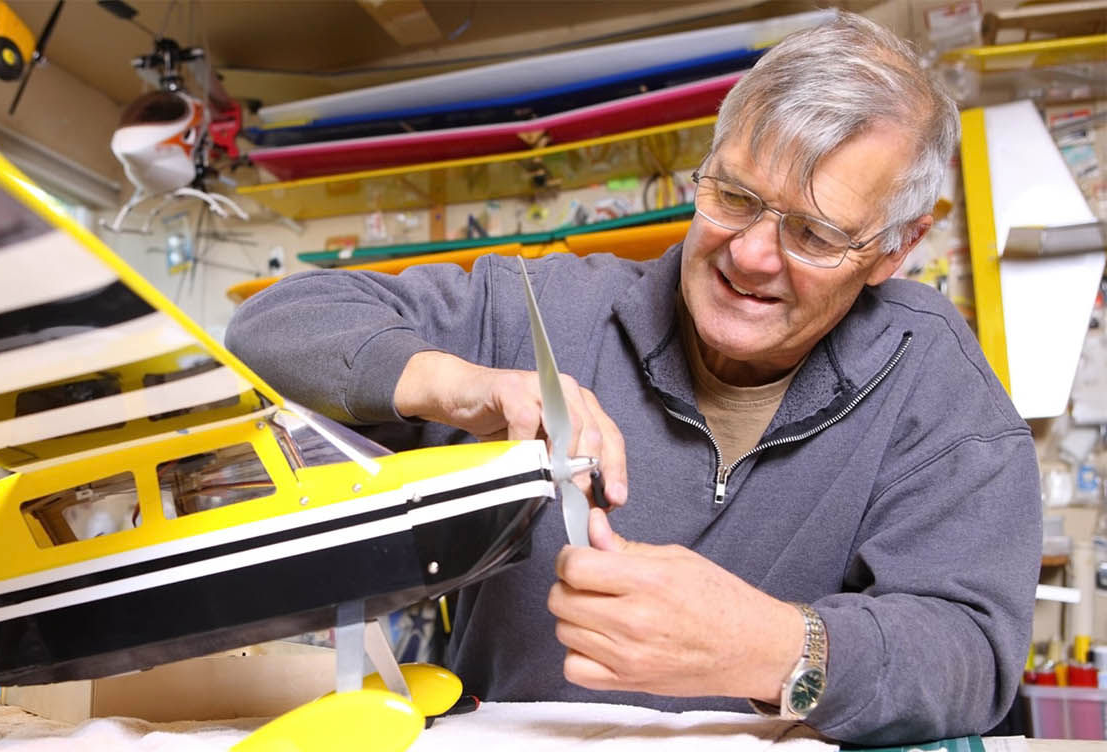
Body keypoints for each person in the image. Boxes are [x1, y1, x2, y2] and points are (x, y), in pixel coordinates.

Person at [226, 11, 1040, 745]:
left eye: (815, 234)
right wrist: (456, 383)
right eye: (735, 195)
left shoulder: (934, 382)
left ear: (896, 250)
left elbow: (971, 655)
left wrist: (775, 650)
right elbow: (268, 328)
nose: (752, 255)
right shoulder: (535, 311)